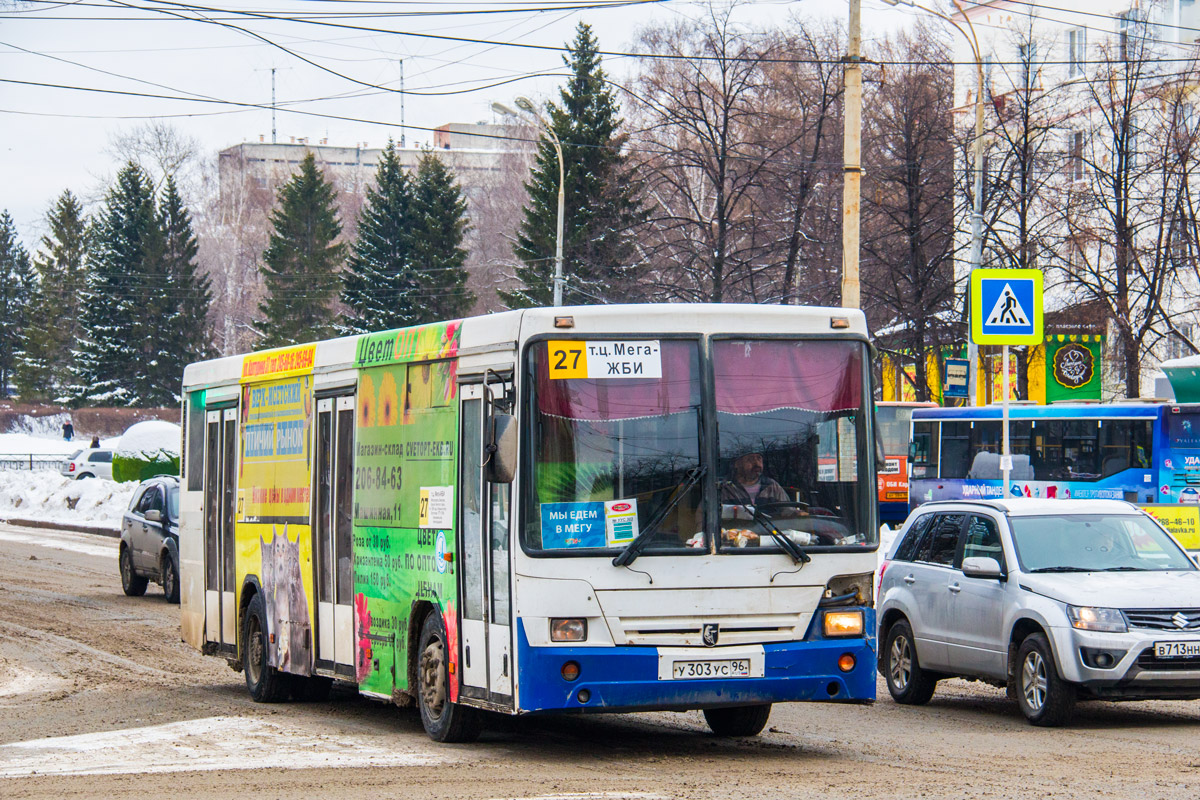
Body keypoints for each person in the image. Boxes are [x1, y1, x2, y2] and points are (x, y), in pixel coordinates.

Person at [720, 452, 791, 506]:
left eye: (759, 458)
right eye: (750, 459)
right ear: (737, 464)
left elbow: (787, 511)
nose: (757, 463)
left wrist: (796, 513)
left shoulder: (771, 485)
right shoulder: (725, 487)